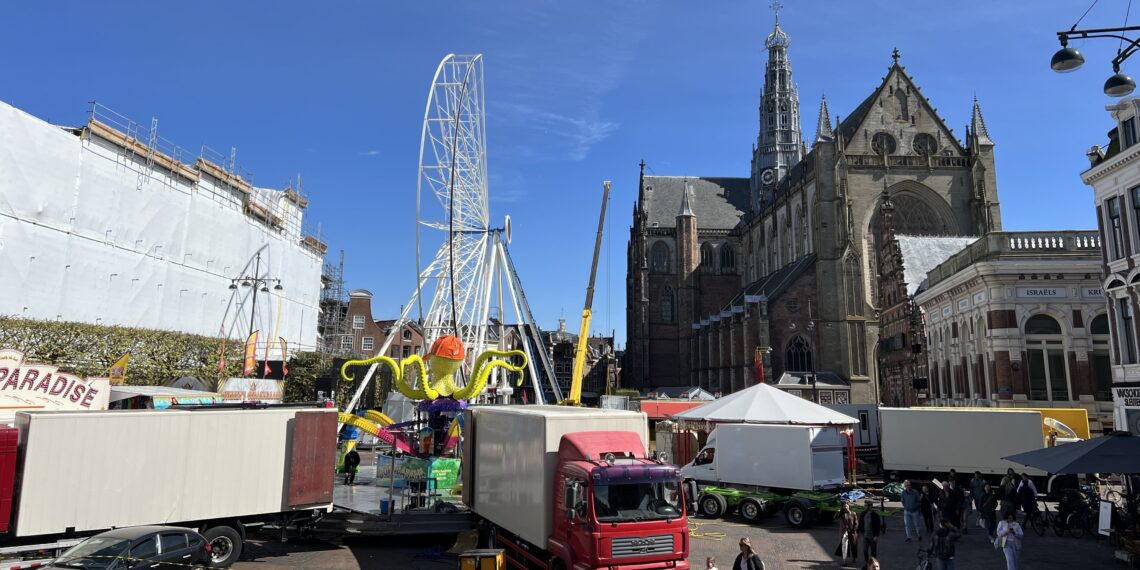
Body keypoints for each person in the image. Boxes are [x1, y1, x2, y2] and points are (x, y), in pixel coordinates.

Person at [835, 502, 859, 566]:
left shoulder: (853, 513)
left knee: (853, 546)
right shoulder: (842, 513)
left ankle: (854, 557)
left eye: (846, 506)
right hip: (844, 532)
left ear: (849, 506)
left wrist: (854, 530)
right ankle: (844, 560)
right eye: (844, 506)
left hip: (852, 532)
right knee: (844, 546)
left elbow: (856, 523)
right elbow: (835, 517)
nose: (845, 507)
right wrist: (837, 512)